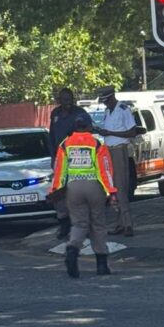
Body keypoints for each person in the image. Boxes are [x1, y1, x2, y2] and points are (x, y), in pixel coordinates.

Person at [50, 116, 117, 278]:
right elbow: (104, 170)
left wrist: (55, 190)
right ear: (89, 127)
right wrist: (111, 191)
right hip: (94, 186)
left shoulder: (65, 145)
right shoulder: (97, 144)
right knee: (98, 224)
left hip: (74, 187)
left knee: (79, 224)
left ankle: (72, 249)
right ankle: (101, 264)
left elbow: (59, 170)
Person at [48, 88, 92, 240]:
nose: (68, 103)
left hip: (77, 158)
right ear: (59, 100)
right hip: (60, 159)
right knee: (59, 193)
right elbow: (52, 136)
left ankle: (82, 225)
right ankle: (64, 224)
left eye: (70, 99)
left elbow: (88, 131)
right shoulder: (55, 114)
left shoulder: (80, 113)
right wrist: (53, 157)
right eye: (65, 100)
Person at [92, 86, 136, 237]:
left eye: (106, 100)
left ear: (112, 97)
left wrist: (110, 132)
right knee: (112, 187)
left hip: (119, 149)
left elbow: (132, 131)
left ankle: (128, 224)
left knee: (121, 187)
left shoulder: (123, 109)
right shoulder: (107, 112)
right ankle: (119, 224)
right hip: (108, 150)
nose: (105, 104)